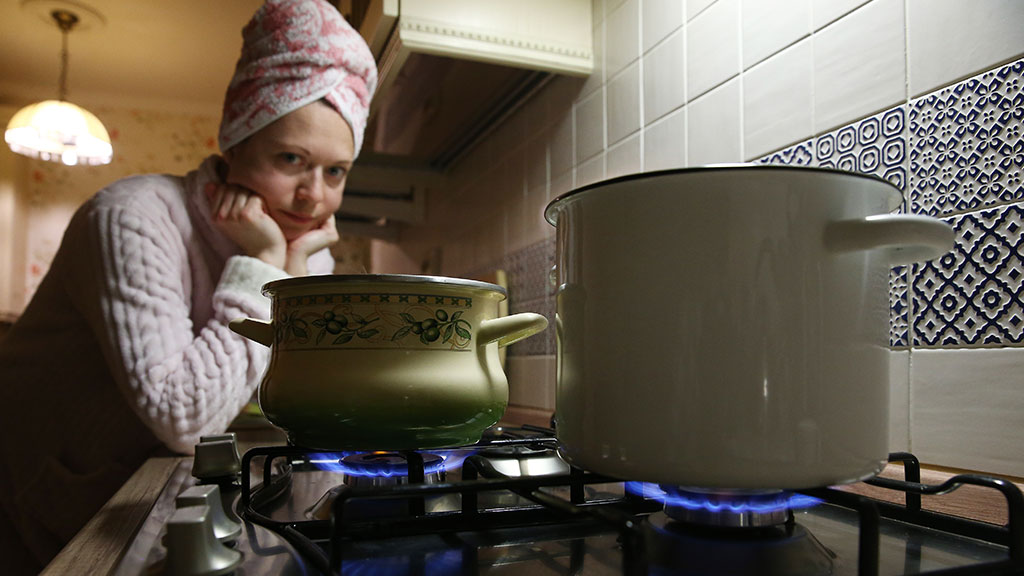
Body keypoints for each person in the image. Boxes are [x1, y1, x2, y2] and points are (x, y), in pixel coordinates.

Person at [0, 1, 377, 572]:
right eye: (291, 158)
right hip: (34, 493)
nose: (313, 196)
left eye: (335, 171)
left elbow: (298, 391)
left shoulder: (300, 244)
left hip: (125, 491)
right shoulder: (133, 216)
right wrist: (269, 262)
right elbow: (186, 419)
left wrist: (291, 263)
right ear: (235, 142)